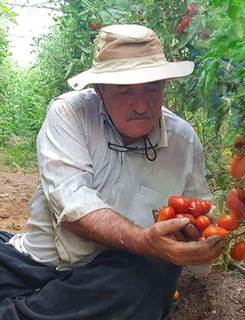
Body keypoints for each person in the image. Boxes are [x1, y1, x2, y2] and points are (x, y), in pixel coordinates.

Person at [0, 24, 226, 319]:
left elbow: (201, 217)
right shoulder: (69, 114)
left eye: (152, 87)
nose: (141, 104)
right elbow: (74, 204)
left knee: (148, 278)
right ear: (99, 90)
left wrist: (201, 238)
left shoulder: (183, 141)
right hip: (36, 262)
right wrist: (144, 240)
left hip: (113, 276)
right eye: (124, 90)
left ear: (165, 85)